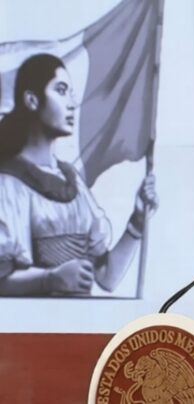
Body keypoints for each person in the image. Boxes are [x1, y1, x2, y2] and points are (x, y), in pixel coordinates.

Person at [0, 53, 158, 296]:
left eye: (71, 93)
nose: (72, 103)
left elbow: (106, 277)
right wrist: (50, 279)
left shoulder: (71, 180)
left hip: (79, 317)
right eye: (61, 91)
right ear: (32, 100)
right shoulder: (8, 183)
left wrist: (136, 223)